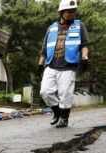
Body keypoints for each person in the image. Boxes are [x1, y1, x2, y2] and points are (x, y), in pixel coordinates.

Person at [38, 0, 89, 128]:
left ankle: (64, 118)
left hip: (68, 65)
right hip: (51, 65)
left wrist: (84, 56)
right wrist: (40, 64)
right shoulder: (51, 27)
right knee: (45, 92)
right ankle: (56, 112)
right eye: (69, 12)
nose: (72, 14)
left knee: (65, 94)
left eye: (74, 11)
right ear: (61, 12)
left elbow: (84, 45)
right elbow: (44, 49)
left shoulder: (79, 25)